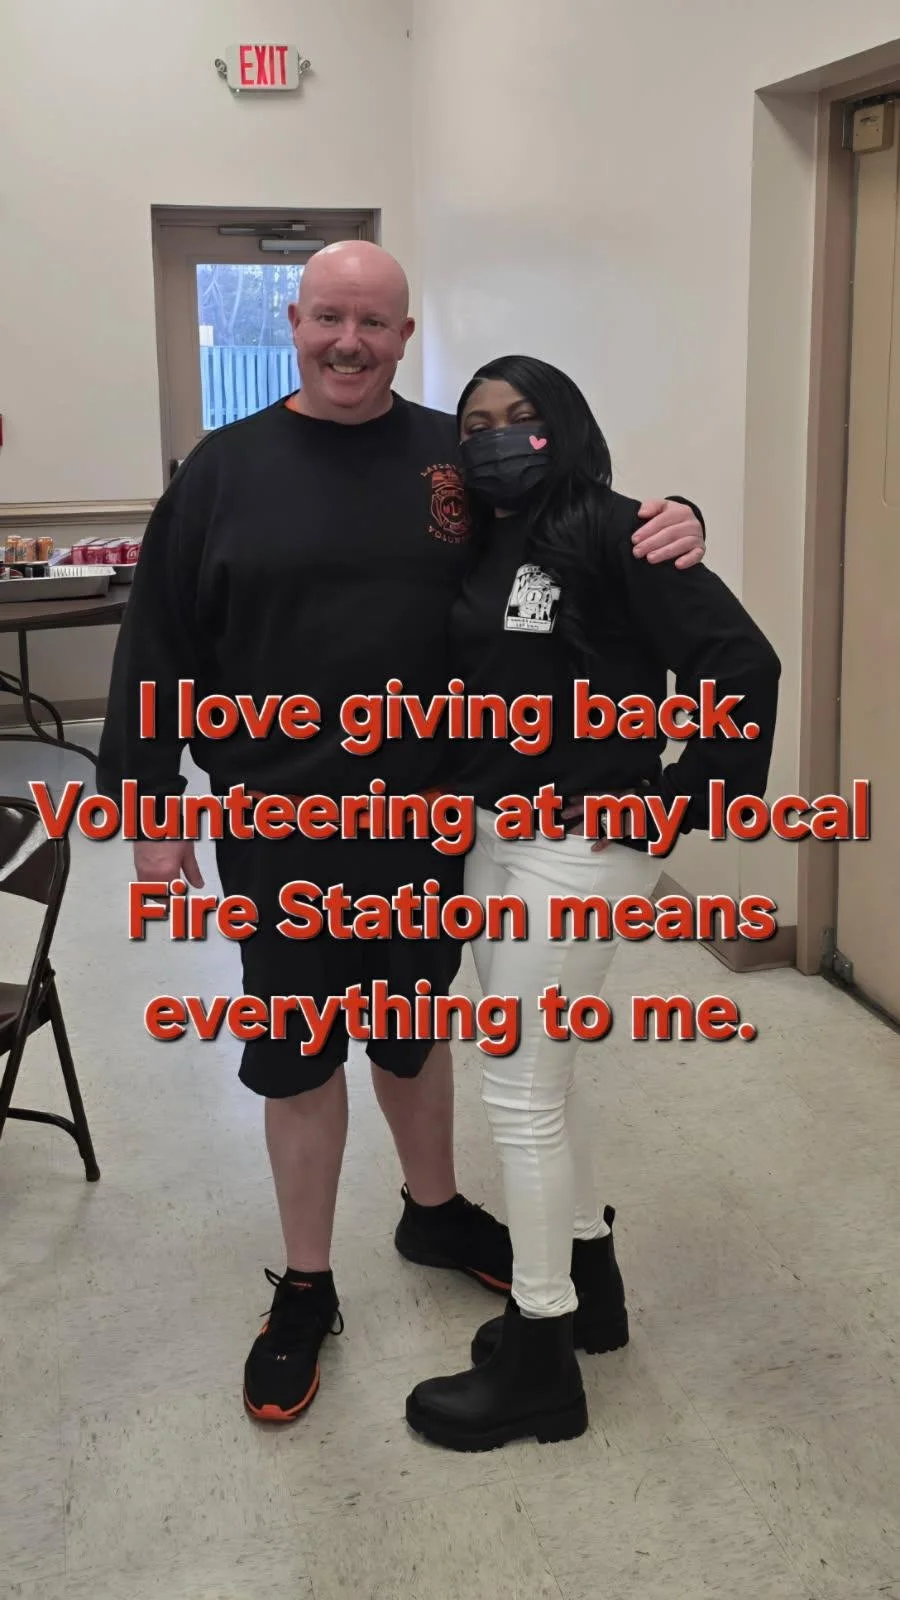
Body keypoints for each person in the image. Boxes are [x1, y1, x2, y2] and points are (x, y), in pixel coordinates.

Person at [97, 243, 706, 1427]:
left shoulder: (454, 460)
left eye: (373, 323)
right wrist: (148, 808)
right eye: (329, 316)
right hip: (281, 823)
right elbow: (157, 644)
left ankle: (431, 1213)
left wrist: (678, 519)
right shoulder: (223, 470)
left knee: (413, 1033)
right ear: (294, 318)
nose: (349, 341)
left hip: (430, 819)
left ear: (405, 333)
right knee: (298, 1053)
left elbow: (571, 527)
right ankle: (308, 1284)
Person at [405, 355, 781, 1453]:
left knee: (518, 1093)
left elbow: (739, 663)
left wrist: (673, 805)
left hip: (580, 850)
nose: (496, 436)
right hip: (493, 837)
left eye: (522, 418)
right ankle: (592, 1284)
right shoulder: (483, 534)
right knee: (541, 1081)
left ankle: (541, 1358)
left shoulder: (619, 530)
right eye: (476, 421)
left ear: (564, 426)